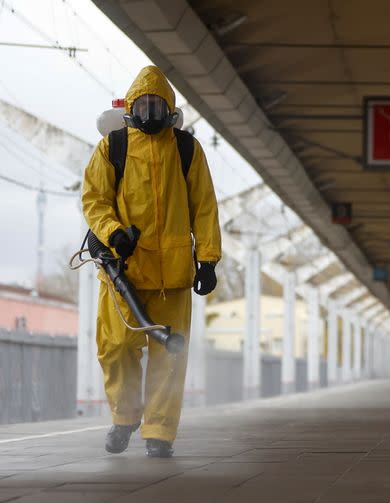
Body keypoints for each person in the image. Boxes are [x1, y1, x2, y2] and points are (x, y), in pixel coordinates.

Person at [82, 65, 221, 457]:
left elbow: (204, 208)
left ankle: (159, 432)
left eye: (156, 105)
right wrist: (113, 233)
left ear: (170, 109)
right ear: (130, 107)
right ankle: (124, 419)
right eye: (142, 105)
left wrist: (207, 260)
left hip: (173, 276)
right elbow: (94, 200)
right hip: (123, 271)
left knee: (169, 356)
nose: (149, 112)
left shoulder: (187, 149)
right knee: (114, 347)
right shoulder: (113, 147)